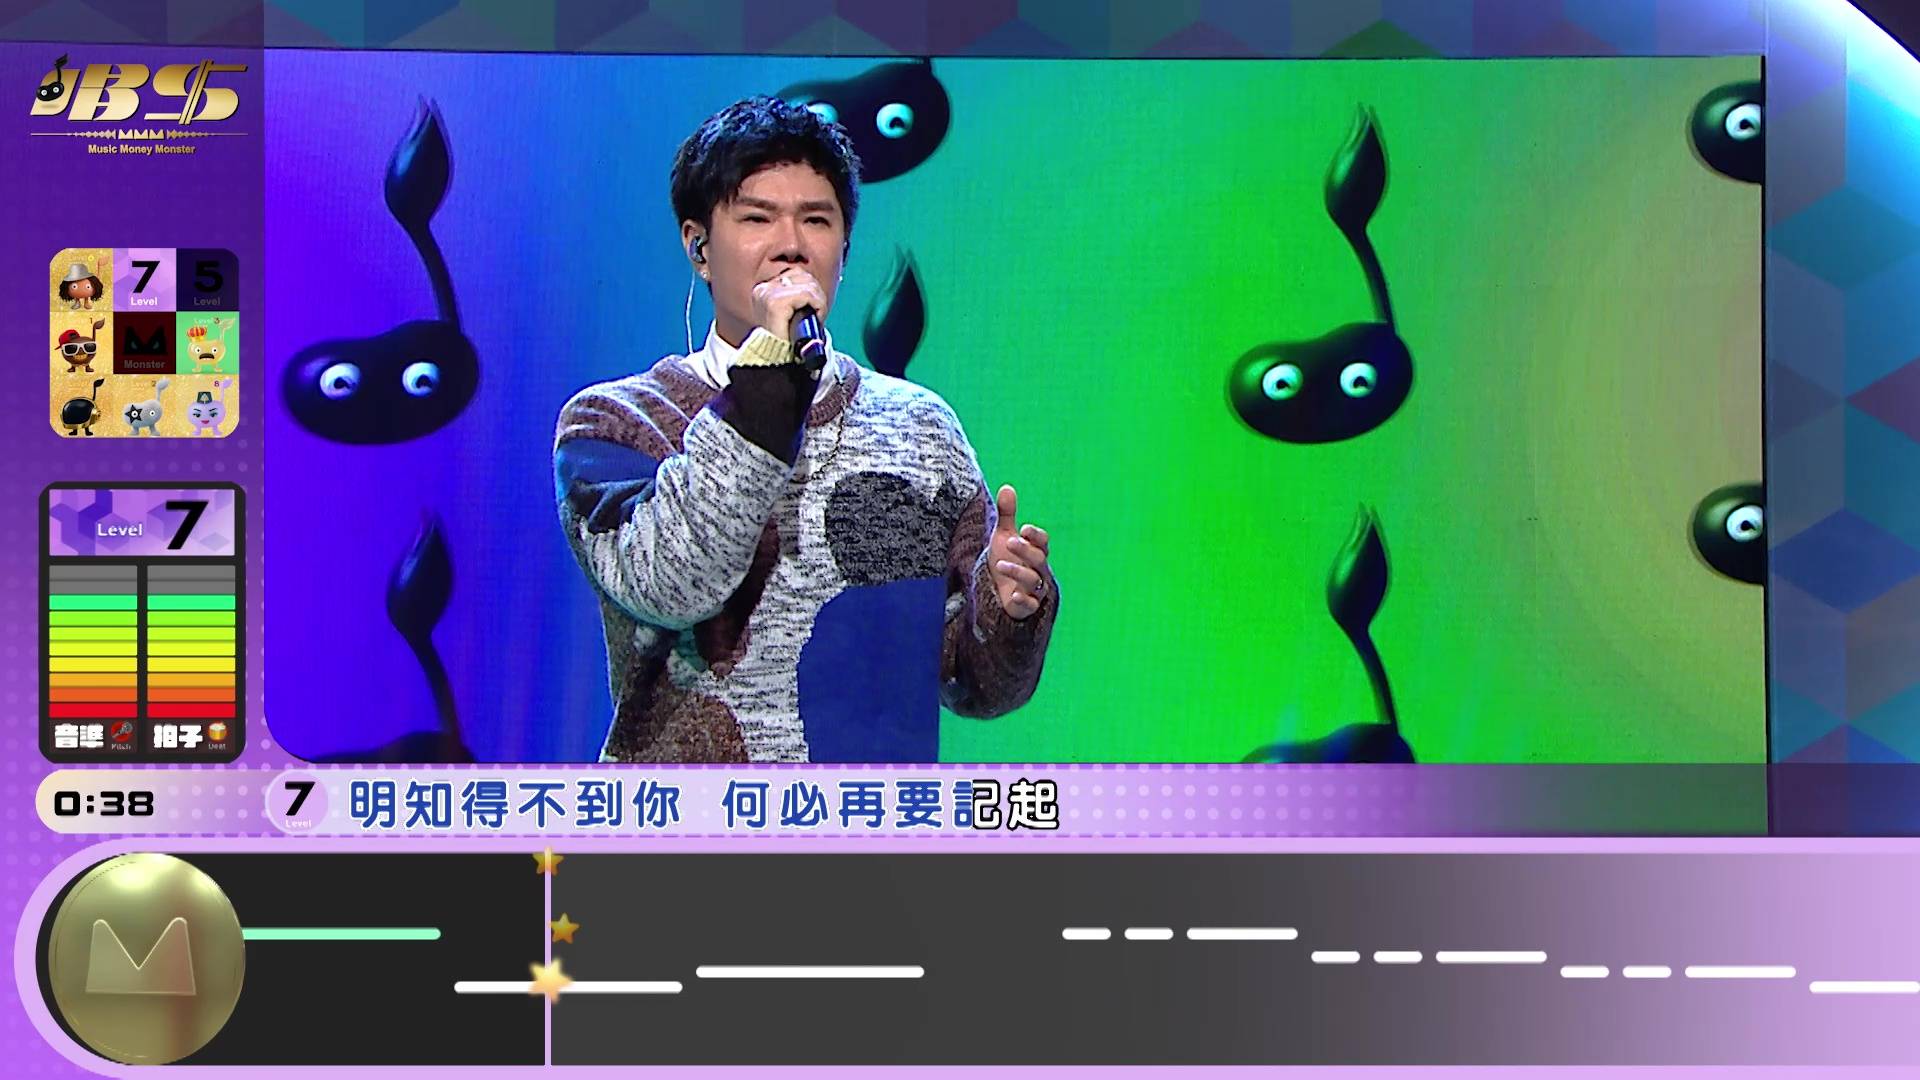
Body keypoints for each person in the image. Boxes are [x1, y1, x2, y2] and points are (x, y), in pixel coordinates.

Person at [553, 96, 1058, 763]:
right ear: (699, 247)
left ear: (843, 250)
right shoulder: (616, 423)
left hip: (870, 824)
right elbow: (674, 583)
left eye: (816, 220)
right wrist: (772, 372)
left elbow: (974, 683)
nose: (791, 245)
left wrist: (1008, 608)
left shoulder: (919, 426)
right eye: (757, 218)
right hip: (684, 824)